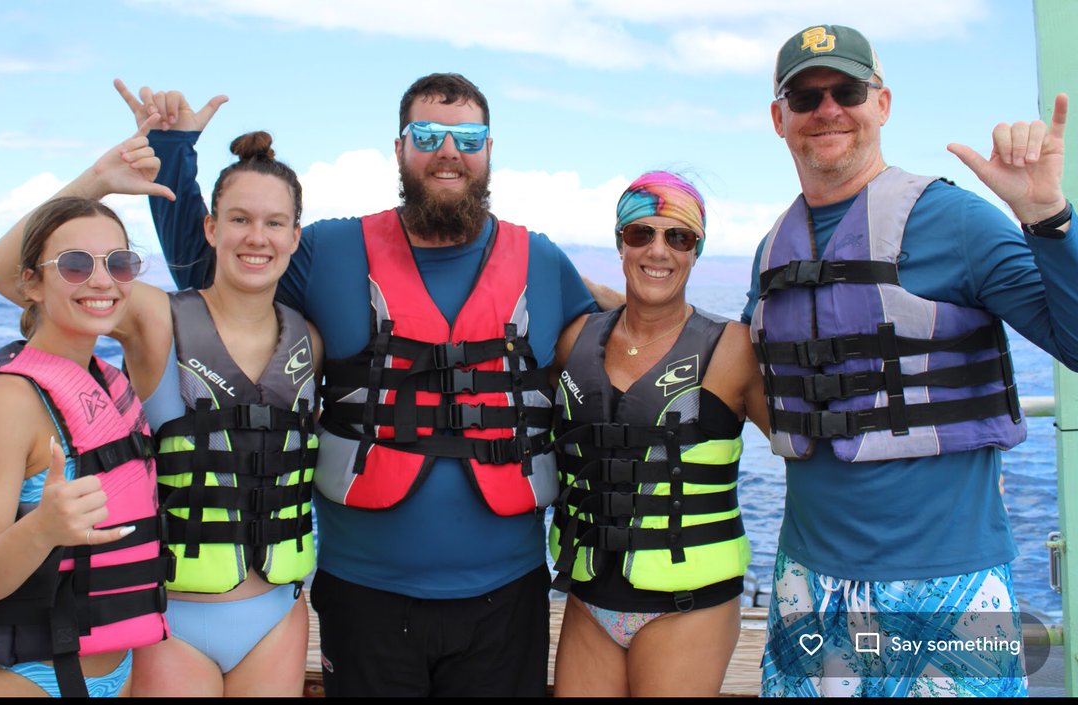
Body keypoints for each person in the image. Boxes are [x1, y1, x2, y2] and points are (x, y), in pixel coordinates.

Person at [120, 72, 599, 696]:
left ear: (488, 150)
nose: (448, 150)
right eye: (426, 134)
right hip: (364, 598)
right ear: (399, 149)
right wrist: (176, 152)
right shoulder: (326, 250)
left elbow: (612, 353)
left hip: (506, 600)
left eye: (467, 136)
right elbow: (212, 274)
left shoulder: (545, 262)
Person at [744, 24, 1078, 697]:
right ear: (780, 118)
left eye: (848, 89)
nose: (828, 108)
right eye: (805, 96)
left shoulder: (957, 220)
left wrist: (1047, 219)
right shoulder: (769, 251)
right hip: (807, 581)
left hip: (948, 582)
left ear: (883, 102)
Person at [0, 119, 320, 697]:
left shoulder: (312, 340)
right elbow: (4, 272)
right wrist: (98, 181)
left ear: (294, 235)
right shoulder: (153, 315)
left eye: (273, 223)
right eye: (238, 219)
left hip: (278, 617)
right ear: (211, 228)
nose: (255, 237)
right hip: (168, 621)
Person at [548, 171, 769, 697]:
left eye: (679, 237)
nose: (659, 250)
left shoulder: (733, 348)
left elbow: (805, 446)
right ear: (620, 243)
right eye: (640, 234)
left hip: (688, 607)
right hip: (587, 601)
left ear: (697, 251)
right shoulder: (575, 338)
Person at [0, 197, 169, 697]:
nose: (102, 281)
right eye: (75, 264)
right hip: (26, 682)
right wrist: (42, 529)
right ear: (31, 284)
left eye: (119, 263)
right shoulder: (4, 401)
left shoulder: (110, 387)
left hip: (119, 673)